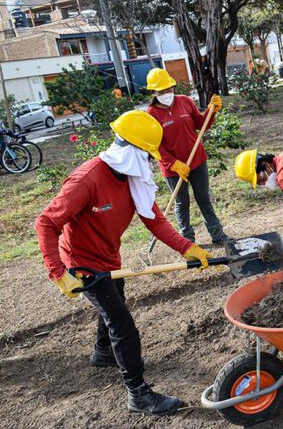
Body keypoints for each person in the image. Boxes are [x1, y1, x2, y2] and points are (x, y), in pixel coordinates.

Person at [34, 110, 213, 416]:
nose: (152, 163)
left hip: (108, 257)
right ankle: (138, 395)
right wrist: (59, 273)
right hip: (82, 263)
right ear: (133, 151)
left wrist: (187, 248)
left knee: (114, 302)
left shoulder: (132, 177)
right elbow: (45, 223)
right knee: (123, 325)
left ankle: (103, 352)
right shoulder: (87, 179)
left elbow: (153, 218)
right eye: (148, 155)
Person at [145, 68, 231, 246]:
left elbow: (201, 124)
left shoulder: (184, 101)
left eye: (169, 89)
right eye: (162, 91)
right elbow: (155, 146)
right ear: (154, 92)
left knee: (204, 199)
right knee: (182, 203)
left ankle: (218, 234)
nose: (167, 93)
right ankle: (187, 240)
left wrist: (211, 111)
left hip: (197, 160)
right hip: (173, 169)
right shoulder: (151, 114)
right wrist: (174, 164)